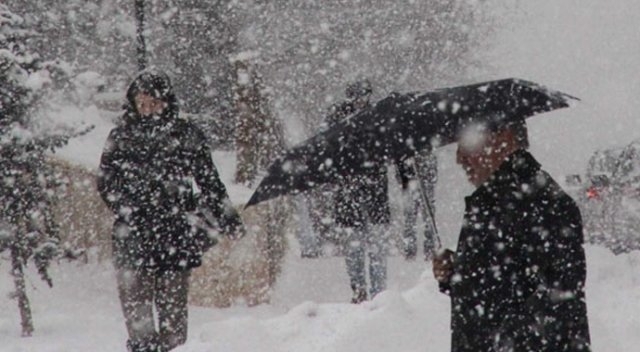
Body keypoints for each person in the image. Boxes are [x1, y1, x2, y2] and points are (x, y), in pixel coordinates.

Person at [97, 70, 243, 352]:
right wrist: (130, 208)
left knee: (173, 316)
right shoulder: (121, 136)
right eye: (142, 103)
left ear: (166, 102)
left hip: (174, 233)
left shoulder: (186, 135)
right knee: (137, 311)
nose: (148, 109)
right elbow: (106, 182)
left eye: (154, 103)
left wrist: (228, 218)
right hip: (133, 234)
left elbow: (210, 183)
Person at [432, 118, 591, 351]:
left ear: (504, 138)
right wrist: (456, 273)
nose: (459, 158)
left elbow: (557, 299)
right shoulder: (492, 201)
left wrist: (501, 340)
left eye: (466, 142)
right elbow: (501, 281)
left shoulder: (542, 203)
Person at [325, 79, 393, 303]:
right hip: (349, 192)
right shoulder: (338, 120)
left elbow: (387, 148)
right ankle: (359, 289)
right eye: (358, 96)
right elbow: (331, 152)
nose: (362, 101)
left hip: (374, 192)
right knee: (355, 247)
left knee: (376, 247)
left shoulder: (378, 117)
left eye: (365, 96)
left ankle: (378, 294)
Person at [396, 149, 438, 261]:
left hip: (423, 173)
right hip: (409, 177)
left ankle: (429, 248)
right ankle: (411, 250)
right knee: (410, 216)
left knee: (427, 214)